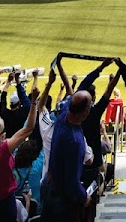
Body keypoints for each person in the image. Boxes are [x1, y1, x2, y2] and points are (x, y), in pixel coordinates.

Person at [43, 90, 92, 222]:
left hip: (49, 184)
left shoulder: (64, 115)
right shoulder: (75, 142)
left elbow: (75, 93)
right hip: (61, 195)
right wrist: (84, 196)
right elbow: (72, 182)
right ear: (85, 112)